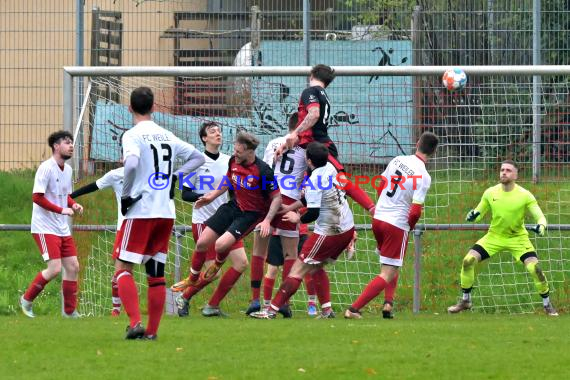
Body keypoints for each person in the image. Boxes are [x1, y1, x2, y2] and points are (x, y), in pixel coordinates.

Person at [113, 87, 205, 340]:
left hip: (141, 210)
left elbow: (131, 164)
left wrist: (127, 194)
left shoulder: (132, 135)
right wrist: (175, 175)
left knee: (122, 267)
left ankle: (134, 323)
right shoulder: (167, 135)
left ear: (130, 108)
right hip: (165, 211)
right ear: (153, 107)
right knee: (155, 274)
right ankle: (152, 332)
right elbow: (197, 157)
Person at [251, 142, 355, 319]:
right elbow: (310, 199)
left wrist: (297, 218)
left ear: (308, 160)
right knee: (315, 268)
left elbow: (313, 212)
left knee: (297, 271)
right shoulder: (329, 167)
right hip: (347, 227)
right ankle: (327, 310)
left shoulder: (314, 180)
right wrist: (289, 208)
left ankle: (271, 311)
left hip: (330, 231)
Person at [182, 132, 282, 316]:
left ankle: (215, 275)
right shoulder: (233, 162)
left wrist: (267, 220)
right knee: (202, 243)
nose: (235, 154)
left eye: (239, 151)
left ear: (250, 152)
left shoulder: (263, 171)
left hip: (250, 215)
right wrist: (211, 196)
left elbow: (277, 198)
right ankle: (193, 280)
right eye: (234, 150)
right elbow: (228, 179)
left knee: (221, 245)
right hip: (233, 206)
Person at [344, 132, 439, 319]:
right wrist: (410, 226)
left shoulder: (397, 160)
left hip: (378, 219)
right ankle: (353, 309)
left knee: (390, 264)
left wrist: (381, 206)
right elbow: (415, 211)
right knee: (388, 272)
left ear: (417, 143)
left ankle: (388, 304)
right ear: (434, 152)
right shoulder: (424, 176)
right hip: (396, 224)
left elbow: (381, 185)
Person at [447, 160, 558, 316]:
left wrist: (541, 226)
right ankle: (465, 300)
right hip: (494, 237)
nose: (504, 172)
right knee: (468, 261)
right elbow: (478, 213)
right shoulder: (490, 192)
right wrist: (472, 216)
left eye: (508, 170)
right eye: (502, 170)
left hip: (518, 239)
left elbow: (540, 217)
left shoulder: (525, 195)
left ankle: (547, 305)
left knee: (535, 269)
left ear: (516, 175)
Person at [170, 122, 249, 317]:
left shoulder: (229, 161)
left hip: (227, 220)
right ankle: (185, 297)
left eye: (219, 131)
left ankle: (212, 305)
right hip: (204, 222)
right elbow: (185, 194)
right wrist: (207, 195)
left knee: (241, 263)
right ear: (204, 138)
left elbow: (233, 190)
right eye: (212, 131)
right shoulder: (196, 161)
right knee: (214, 273)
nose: (217, 134)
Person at [275, 64, 376, 216]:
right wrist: (286, 144)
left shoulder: (310, 91)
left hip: (321, 147)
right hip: (313, 147)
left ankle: (372, 209)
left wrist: (294, 133)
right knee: (315, 190)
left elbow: (314, 114)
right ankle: (297, 218)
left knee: (340, 181)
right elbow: (310, 128)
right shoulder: (323, 94)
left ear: (311, 75)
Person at [245, 112, 307, 316]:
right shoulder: (304, 148)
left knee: (258, 251)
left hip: (268, 198)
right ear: (301, 127)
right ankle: (283, 303)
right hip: (289, 199)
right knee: (291, 253)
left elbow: (264, 170)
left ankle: (255, 300)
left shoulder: (274, 143)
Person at [19, 130, 84, 318]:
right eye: (66, 142)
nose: (71, 146)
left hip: (61, 227)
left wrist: (73, 204)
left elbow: (65, 196)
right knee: (55, 269)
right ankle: (26, 300)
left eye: (72, 142)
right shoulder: (46, 168)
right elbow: (37, 197)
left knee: (73, 267)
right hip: (44, 227)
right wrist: (62, 210)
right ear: (56, 146)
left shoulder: (69, 170)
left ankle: (69, 312)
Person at [71, 165, 124, 316]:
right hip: (125, 227)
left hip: (146, 225)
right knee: (120, 273)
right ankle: (116, 311)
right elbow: (93, 186)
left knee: (153, 273)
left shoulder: (148, 171)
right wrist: (70, 196)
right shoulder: (116, 175)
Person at [262, 222, 319, 316]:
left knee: (308, 268)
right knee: (272, 270)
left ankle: (312, 303)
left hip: (300, 234)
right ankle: (266, 305)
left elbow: (308, 209)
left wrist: (298, 213)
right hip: (277, 234)